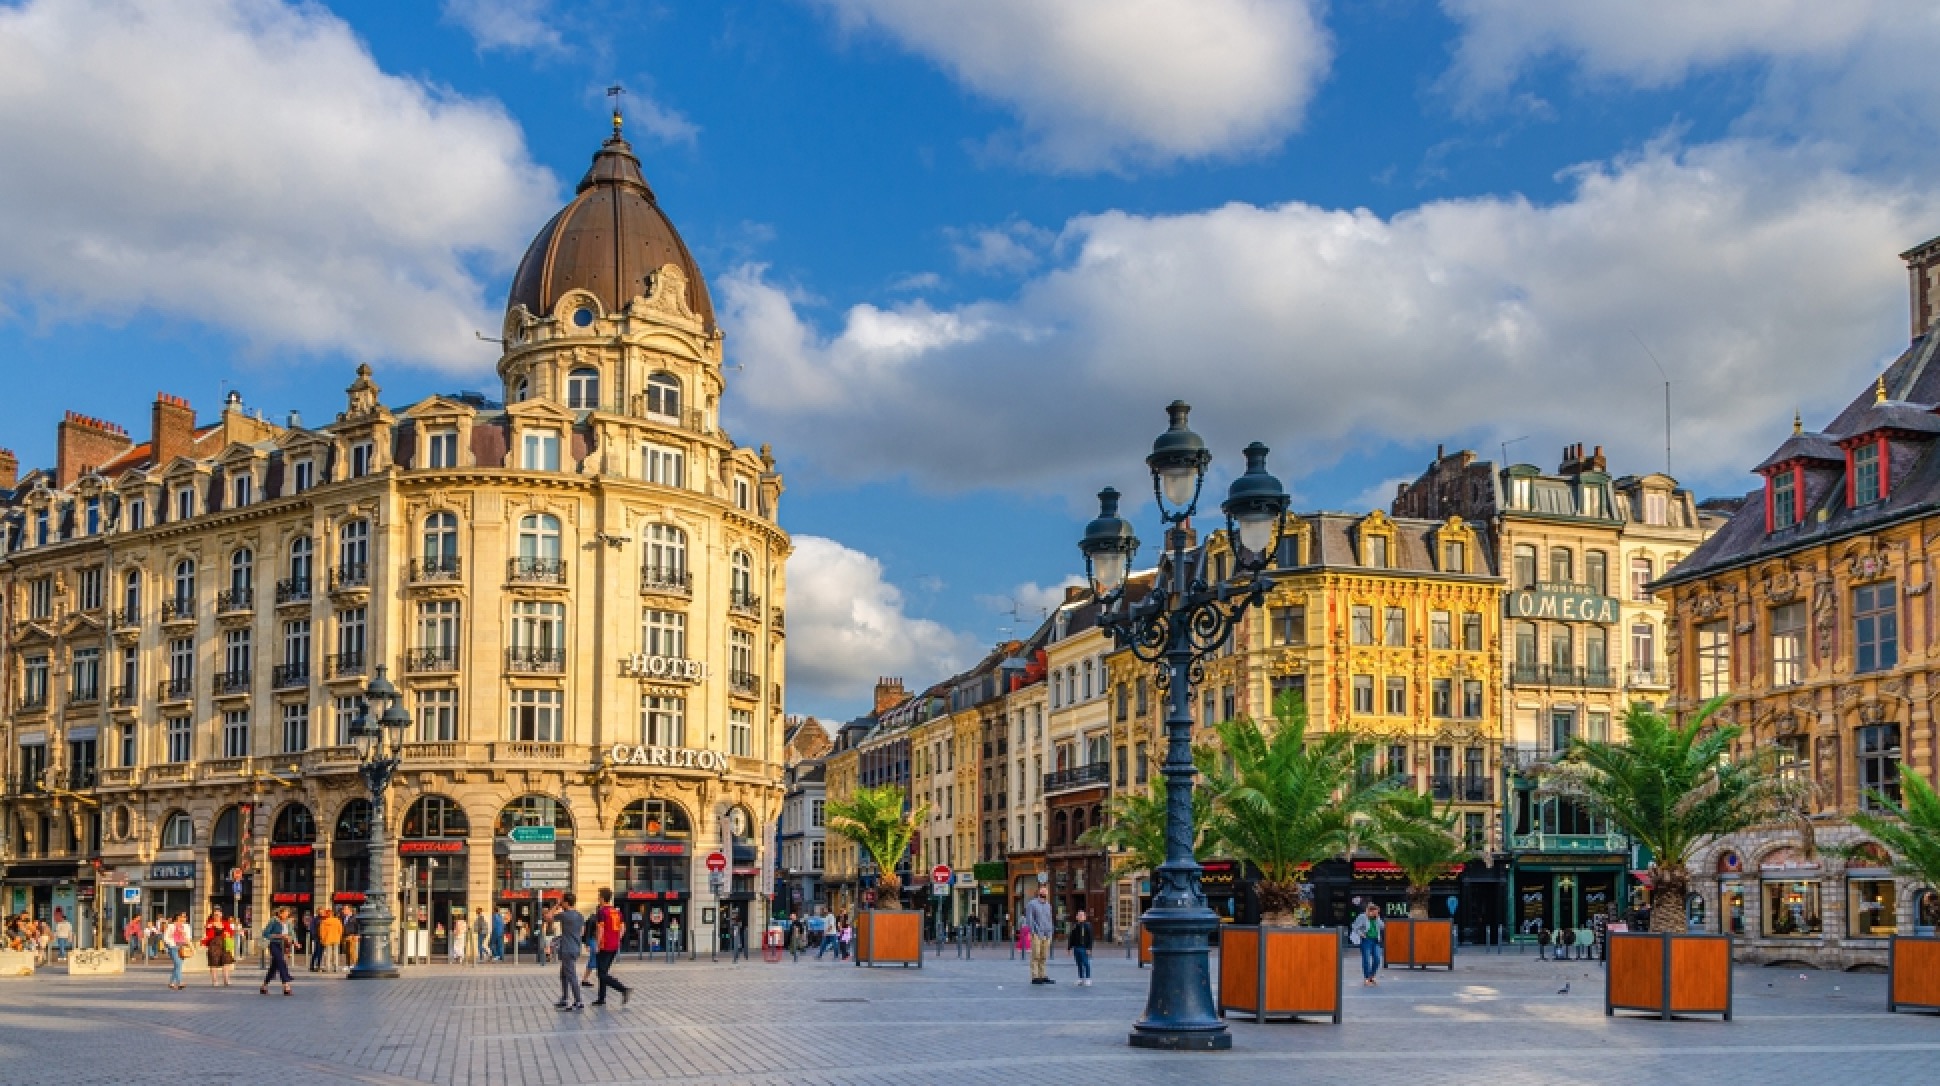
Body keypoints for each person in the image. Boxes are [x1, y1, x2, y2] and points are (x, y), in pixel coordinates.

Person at [590, 888, 630, 1007]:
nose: (598, 898)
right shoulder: (617, 912)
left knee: (601, 974)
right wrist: (617, 939)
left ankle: (623, 989)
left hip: (604, 945)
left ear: (602, 898)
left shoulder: (602, 912)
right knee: (604, 972)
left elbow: (600, 929)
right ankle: (601, 998)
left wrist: (597, 944)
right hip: (614, 945)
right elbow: (623, 928)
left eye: (598, 896)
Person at [551, 894, 585, 1011]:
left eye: (562, 902)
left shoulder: (564, 915)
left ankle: (578, 1001)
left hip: (567, 948)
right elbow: (581, 931)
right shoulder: (580, 916)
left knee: (571, 975)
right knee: (564, 974)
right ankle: (565, 999)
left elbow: (548, 917)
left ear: (566, 903)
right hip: (575, 947)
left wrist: (556, 905)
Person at [260, 906, 295, 996]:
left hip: (284, 945)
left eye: (288, 913)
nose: (287, 915)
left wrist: (295, 942)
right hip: (274, 944)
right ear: (280, 913)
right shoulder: (273, 921)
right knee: (281, 961)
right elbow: (266, 933)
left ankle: (264, 986)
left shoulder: (288, 922)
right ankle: (286, 985)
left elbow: (292, 933)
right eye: (285, 913)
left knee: (274, 966)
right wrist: (279, 936)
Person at [1025, 886, 1055, 985]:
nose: (1044, 892)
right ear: (1038, 892)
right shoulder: (1032, 904)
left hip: (1047, 934)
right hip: (1037, 933)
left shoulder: (1048, 905)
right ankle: (1035, 976)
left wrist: (1051, 931)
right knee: (1036, 955)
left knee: (1044, 956)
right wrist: (1033, 932)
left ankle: (1042, 976)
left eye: (1046, 891)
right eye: (1042, 890)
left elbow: (1049, 919)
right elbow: (1029, 919)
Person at [1350, 903, 1384, 986]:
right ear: (1369, 911)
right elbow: (1354, 926)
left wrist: (1377, 918)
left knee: (1377, 958)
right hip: (1366, 940)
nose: (1375, 914)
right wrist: (1361, 934)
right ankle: (1367, 977)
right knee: (1366, 959)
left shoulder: (1377, 918)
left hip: (1376, 940)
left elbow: (1382, 926)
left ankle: (1372, 975)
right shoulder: (1362, 917)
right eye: (1374, 912)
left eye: (1377, 912)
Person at [203, 908, 236, 986]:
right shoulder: (210, 923)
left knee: (226, 962)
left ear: (221, 915)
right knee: (213, 962)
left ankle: (226, 980)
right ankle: (214, 981)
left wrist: (227, 933)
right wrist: (211, 926)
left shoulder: (225, 923)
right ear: (213, 915)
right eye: (215, 915)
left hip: (224, 944)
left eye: (218, 914)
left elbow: (231, 932)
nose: (217, 916)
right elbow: (208, 933)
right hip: (213, 944)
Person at [163, 911, 192, 990]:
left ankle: (171, 983)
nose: (184, 918)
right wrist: (170, 943)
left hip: (182, 947)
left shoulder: (186, 926)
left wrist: (190, 946)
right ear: (177, 917)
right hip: (173, 947)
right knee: (178, 964)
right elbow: (165, 937)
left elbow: (188, 937)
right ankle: (179, 982)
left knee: (177, 966)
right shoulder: (171, 926)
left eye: (185, 917)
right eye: (182, 916)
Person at [1068, 908, 1094, 987]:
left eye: (1082, 915)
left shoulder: (1087, 926)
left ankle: (1088, 978)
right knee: (1079, 963)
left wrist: (1089, 948)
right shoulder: (1075, 926)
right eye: (1079, 915)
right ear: (1076, 917)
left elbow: (1090, 938)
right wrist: (1069, 947)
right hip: (1076, 947)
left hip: (1084, 948)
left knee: (1086, 963)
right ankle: (1080, 978)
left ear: (1085, 917)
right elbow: (1071, 937)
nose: (1080, 917)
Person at [316, 907, 342, 973]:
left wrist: (322, 939)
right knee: (336, 953)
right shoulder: (337, 921)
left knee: (328, 953)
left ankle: (328, 967)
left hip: (327, 939)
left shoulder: (324, 922)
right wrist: (339, 936)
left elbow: (321, 932)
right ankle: (336, 967)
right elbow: (340, 930)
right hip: (336, 938)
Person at [341, 905, 361, 971]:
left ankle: (353, 964)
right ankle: (348, 964)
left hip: (352, 935)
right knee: (346, 951)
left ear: (349, 910)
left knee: (352, 951)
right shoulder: (343, 918)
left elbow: (358, 926)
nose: (343, 911)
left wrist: (357, 935)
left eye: (344, 909)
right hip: (345, 936)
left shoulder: (354, 917)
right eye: (343, 909)